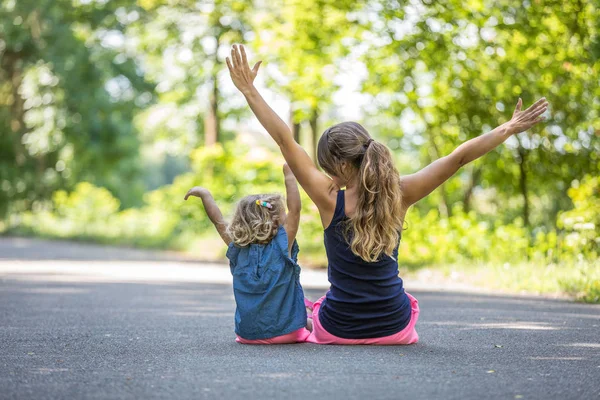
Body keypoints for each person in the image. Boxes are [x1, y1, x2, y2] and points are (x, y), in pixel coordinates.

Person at [226, 44, 548, 344]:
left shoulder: (328, 197)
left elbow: (285, 140)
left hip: (339, 329)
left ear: (339, 165)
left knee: (315, 307)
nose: (324, 175)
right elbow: (458, 158)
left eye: (326, 168)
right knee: (400, 301)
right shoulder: (401, 193)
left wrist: (249, 90)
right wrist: (506, 128)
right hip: (395, 328)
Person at [184, 164, 311, 344]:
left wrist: (205, 195)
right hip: (287, 334)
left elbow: (219, 222)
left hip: (247, 336)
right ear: (278, 220)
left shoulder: (237, 247)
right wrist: (290, 173)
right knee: (316, 321)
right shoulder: (284, 245)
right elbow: (296, 210)